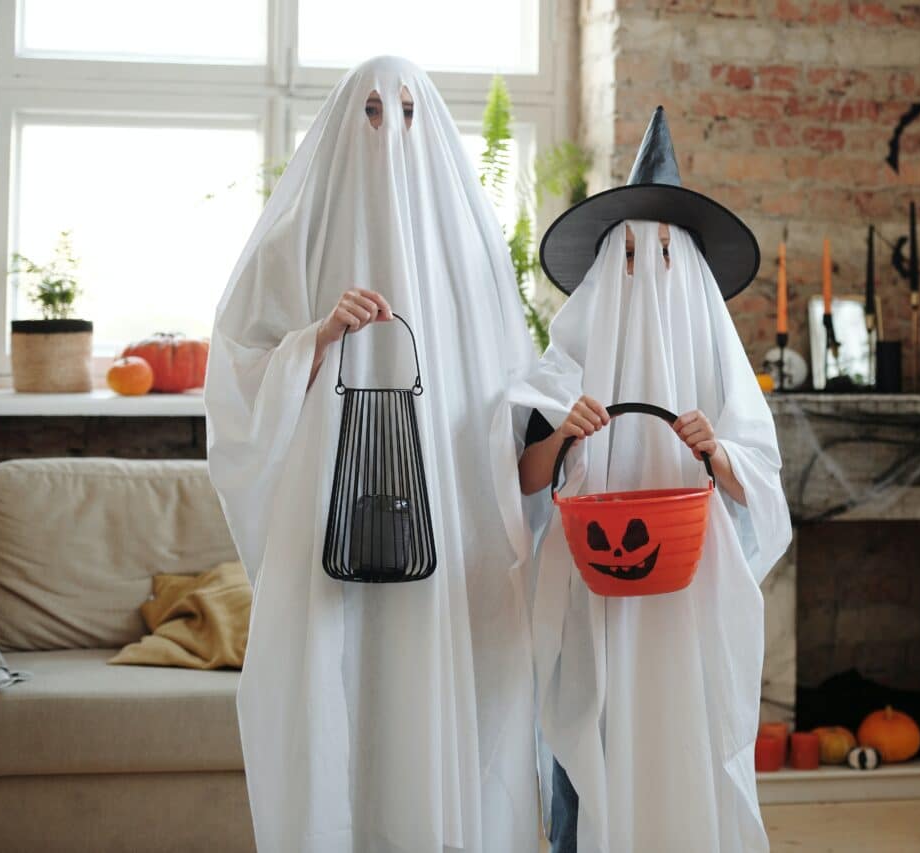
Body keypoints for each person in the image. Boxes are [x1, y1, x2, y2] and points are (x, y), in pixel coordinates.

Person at [205, 56, 538, 852]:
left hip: (448, 523)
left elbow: (505, 397)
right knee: (339, 685)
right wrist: (318, 336)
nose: (392, 133)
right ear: (346, 122)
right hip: (330, 518)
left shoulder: (467, 254)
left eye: (411, 113)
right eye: (374, 113)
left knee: (433, 689)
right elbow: (237, 366)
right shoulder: (299, 233)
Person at [490, 107, 792, 853]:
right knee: (596, 739)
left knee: (676, 734)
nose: (644, 275)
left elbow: (763, 485)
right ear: (603, 266)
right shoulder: (564, 366)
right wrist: (564, 433)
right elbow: (523, 479)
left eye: (663, 255)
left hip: (687, 598)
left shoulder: (719, 369)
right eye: (627, 255)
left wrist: (717, 451)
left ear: (687, 268)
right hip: (593, 596)